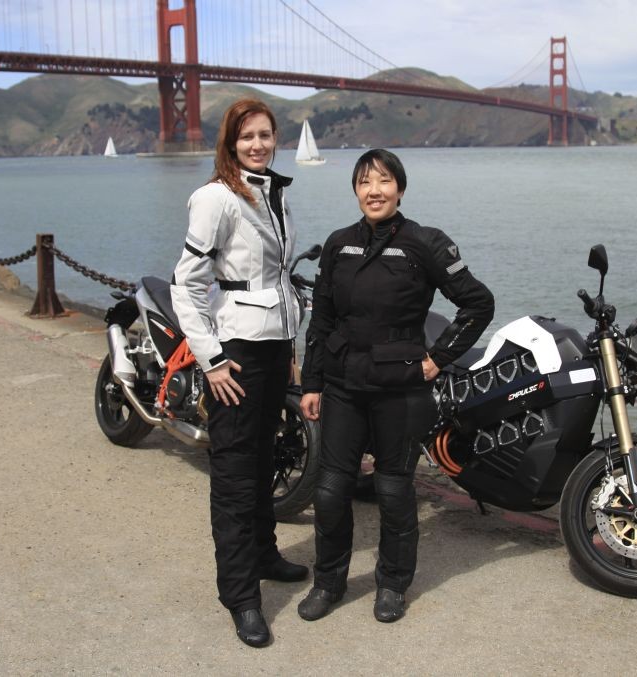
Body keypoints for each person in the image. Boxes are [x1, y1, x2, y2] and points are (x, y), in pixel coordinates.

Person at [298, 148, 494, 623]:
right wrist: (312, 381)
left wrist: (437, 359)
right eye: (365, 182)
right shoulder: (338, 243)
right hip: (344, 385)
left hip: (399, 386)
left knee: (393, 490)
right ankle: (328, 582)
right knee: (329, 489)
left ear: (400, 189)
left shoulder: (423, 243)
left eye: (384, 181)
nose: (374, 191)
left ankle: (392, 585)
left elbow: (478, 303)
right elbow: (322, 319)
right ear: (355, 191)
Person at [170, 98, 307, 648]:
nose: (257, 144)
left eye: (266, 135)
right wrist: (212, 358)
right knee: (232, 474)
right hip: (236, 352)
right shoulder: (216, 199)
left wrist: (291, 348)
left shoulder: (274, 193)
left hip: (272, 349)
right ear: (229, 143)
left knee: (266, 455)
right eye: (246, 136)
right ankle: (241, 596)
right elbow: (187, 284)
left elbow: (277, 280)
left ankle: (266, 554)